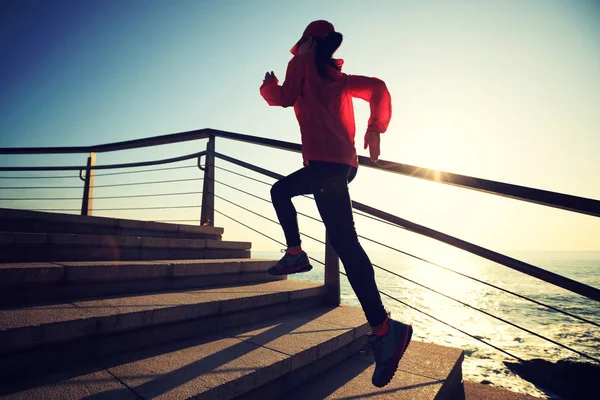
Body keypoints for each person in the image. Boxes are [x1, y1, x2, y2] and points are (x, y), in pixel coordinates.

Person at [259, 20, 412, 388]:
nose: (299, 49)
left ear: (310, 42)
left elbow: (282, 97)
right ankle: (296, 253)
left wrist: (267, 85)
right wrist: (375, 126)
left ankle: (384, 330)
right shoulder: (340, 79)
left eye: (302, 43)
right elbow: (378, 87)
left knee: (345, 242)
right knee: (282, 192)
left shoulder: (301, 65)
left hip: (325, 166)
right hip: (342, 166)